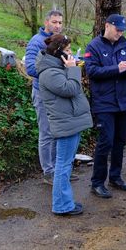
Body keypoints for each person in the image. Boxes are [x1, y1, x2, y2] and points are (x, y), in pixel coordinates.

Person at [85, 14, 126, 198]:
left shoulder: (125, 44)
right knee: (106, 141)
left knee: (120, 141)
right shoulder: (94, 46)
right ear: (107, 26)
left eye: (123, 30)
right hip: (105, 103)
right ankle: (97, 182)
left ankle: (115, 177)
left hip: (124, 102)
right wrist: (118, 68)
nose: (120, 33)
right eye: (118, 30)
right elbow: (91, 71)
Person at [36, 34, 93, 216]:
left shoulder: (56, 69)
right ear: (58, 52)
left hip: (70, 121)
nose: (70, 54)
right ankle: (61, 205)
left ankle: (64, 202)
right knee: (63, 165)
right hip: (65, 123)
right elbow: (71, 89)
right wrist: (73, 69)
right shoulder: (49, 73)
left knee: (65, 164)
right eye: (67, 50)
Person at [25, 9, 66, 184]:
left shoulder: (60, 40)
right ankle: (48, 172)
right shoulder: (36, 42)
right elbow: (31, 69)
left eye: (60, 23)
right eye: (54, 22)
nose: (57, 26)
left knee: (58, 131)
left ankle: (58, 169)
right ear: (46, 22)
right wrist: (56, 68)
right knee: (47, 132)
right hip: (42, 92)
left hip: (57, 92)